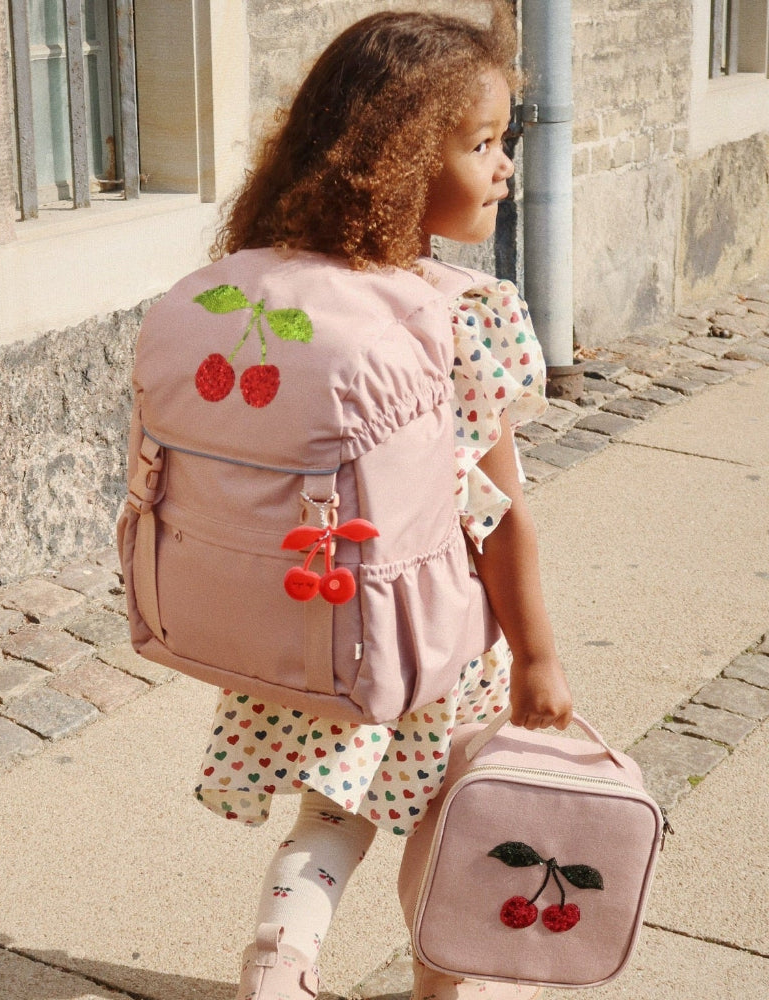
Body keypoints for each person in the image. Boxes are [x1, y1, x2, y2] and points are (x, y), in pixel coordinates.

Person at [176, 4, 572, 998]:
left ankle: (278, 965)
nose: (503, 164)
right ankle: (438, 992)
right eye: (480, 142)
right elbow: (501, 512)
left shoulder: (264, 295)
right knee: (456, 822)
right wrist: (536, 656)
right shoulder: (462, 316)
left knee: (329, 816)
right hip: (431, 640)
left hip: (304, 618)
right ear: (398, 158)